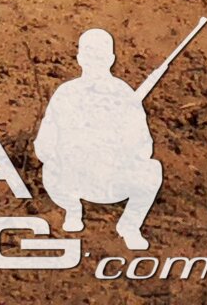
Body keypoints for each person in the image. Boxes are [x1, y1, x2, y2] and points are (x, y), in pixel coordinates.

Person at [35, 28, 167, 250]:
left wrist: (114, 145)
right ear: (79, 58)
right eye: (90, 55)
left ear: (111, 59)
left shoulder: (124, 95)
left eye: (99, 56)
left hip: (111, 179)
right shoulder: (66, 93)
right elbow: (45, 142)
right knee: (50, 167)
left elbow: (143, 147)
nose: (94, 61)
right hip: (72, 178)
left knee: (151, 170)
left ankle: (129, 226)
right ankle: (72, 209)